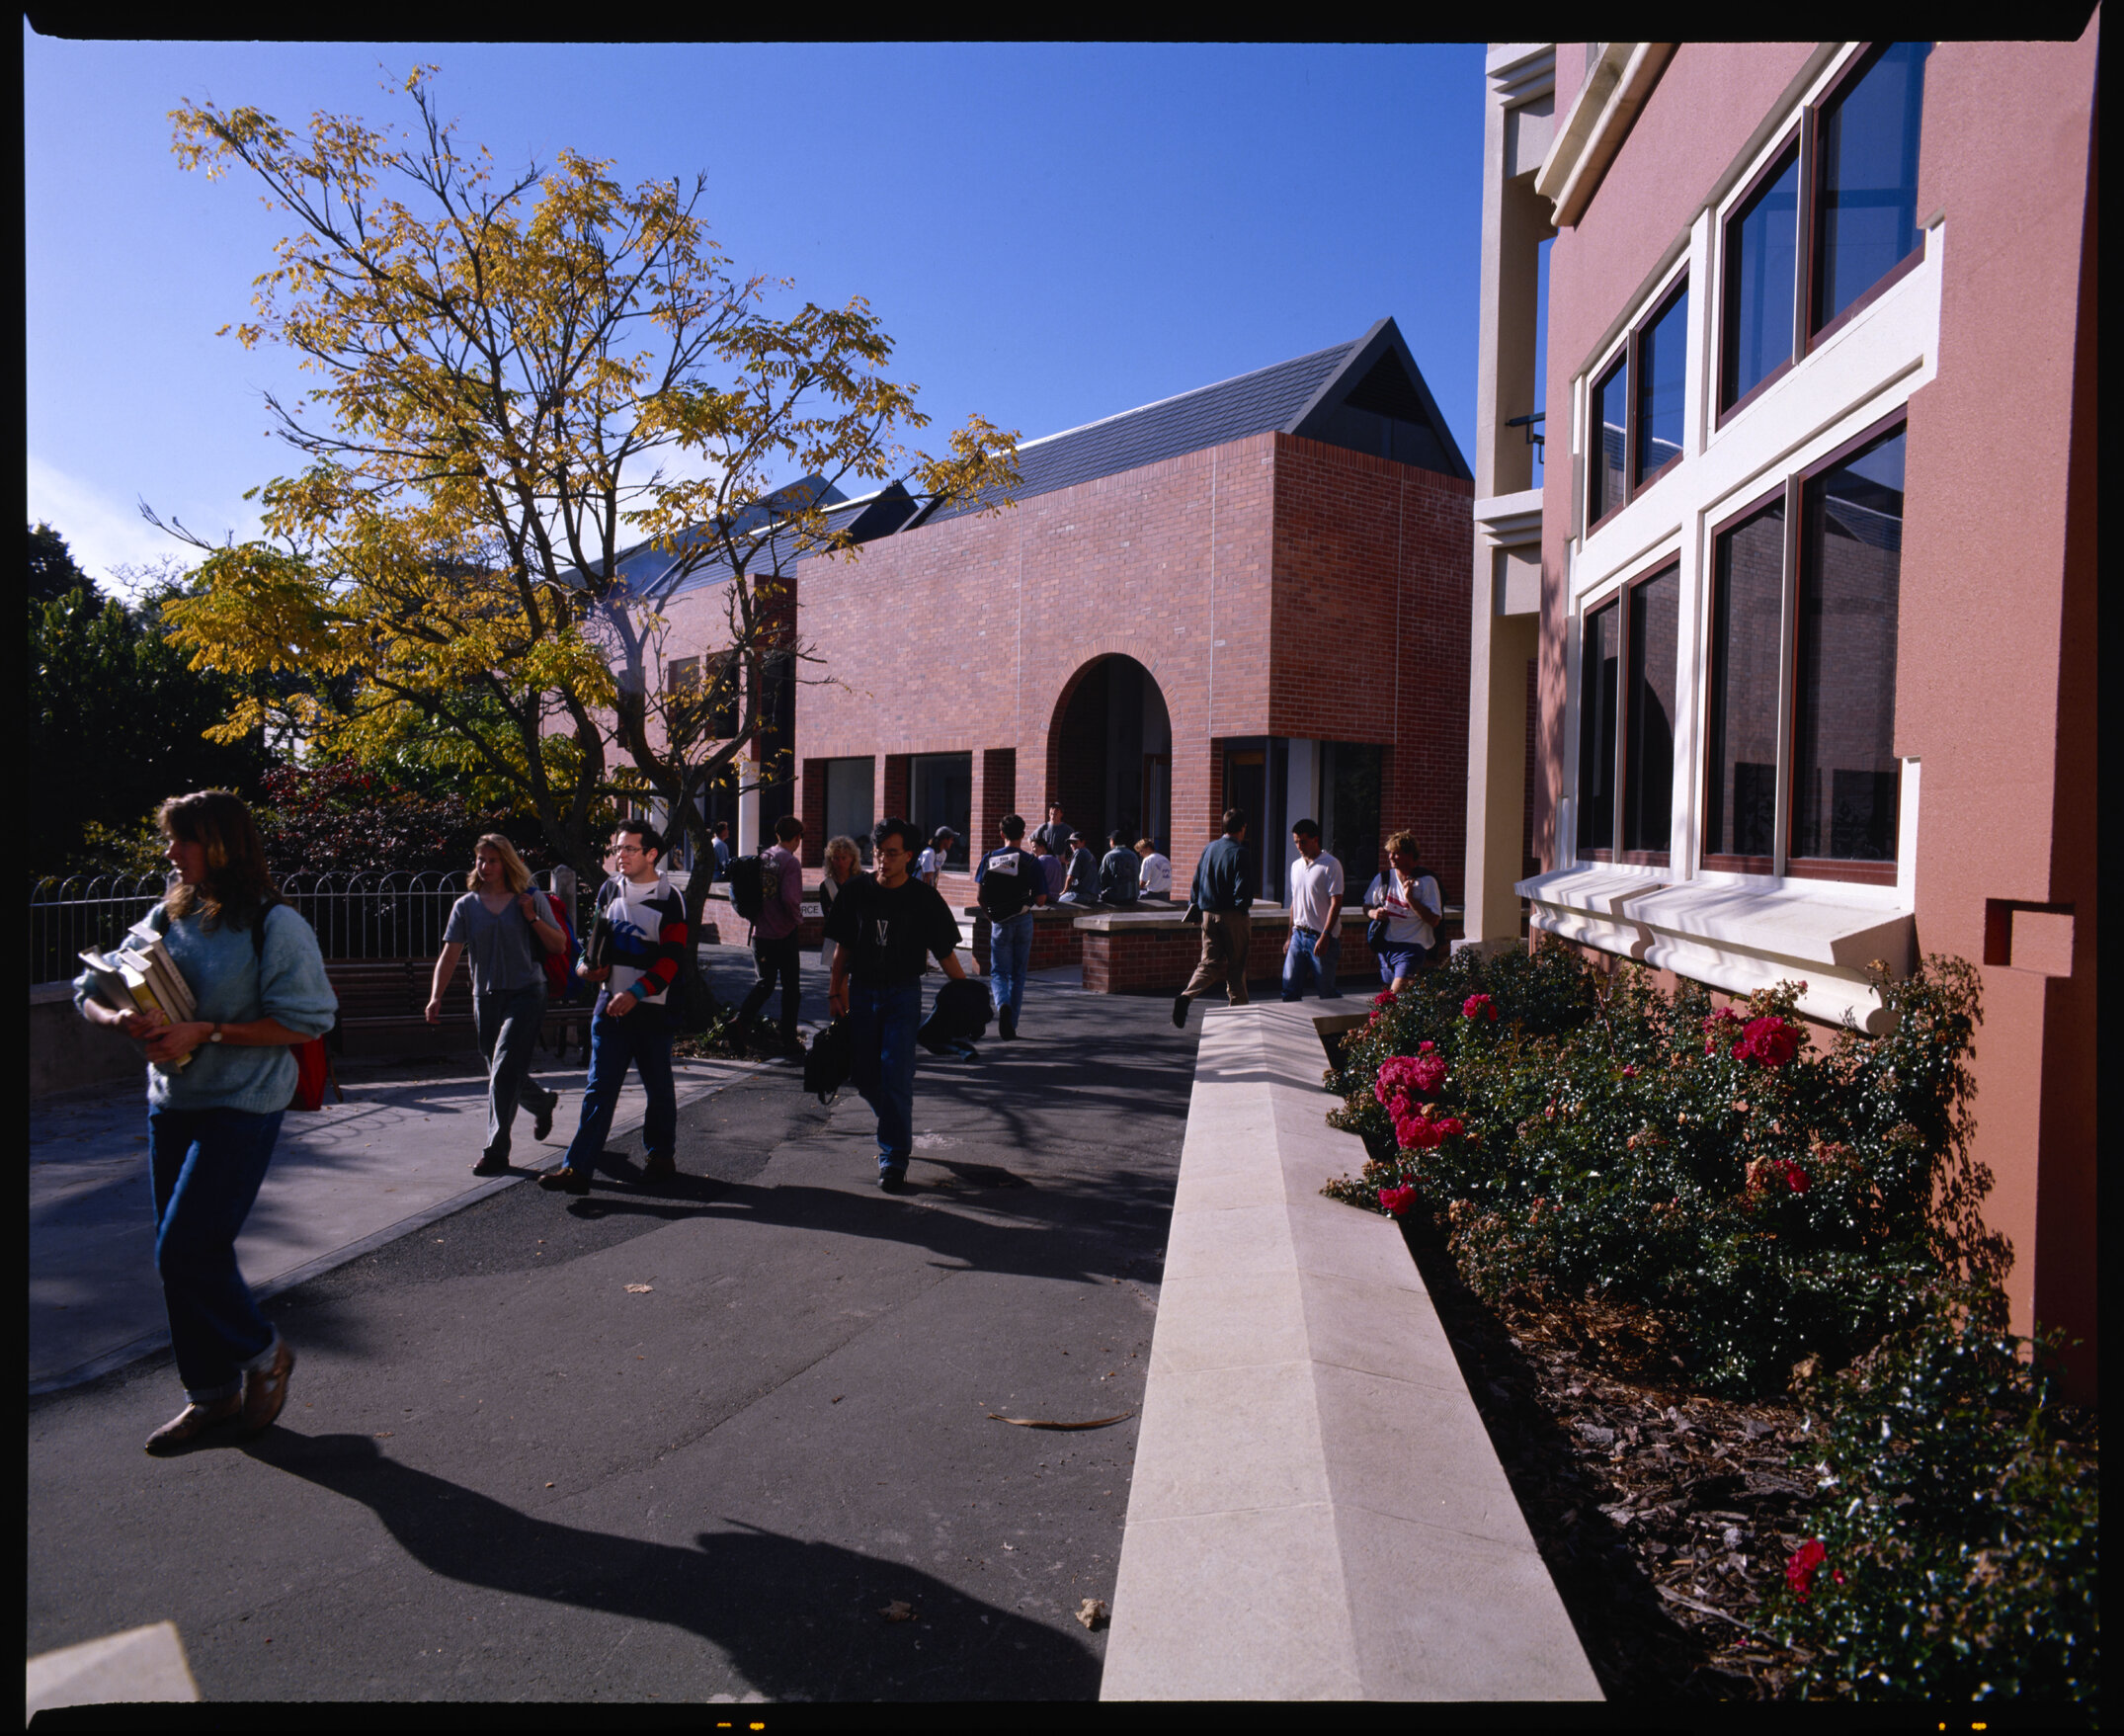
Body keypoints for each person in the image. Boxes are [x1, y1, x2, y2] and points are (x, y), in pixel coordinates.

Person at [73, 789, 338, 1454]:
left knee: (184, 1248)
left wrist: (208, 1030)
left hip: (242, 1107)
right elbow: (88, 991)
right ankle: (210, 1394)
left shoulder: (274, 925)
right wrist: (120, 1018)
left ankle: (263, 1351)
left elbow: (308, 1018)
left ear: (219, 843)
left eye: (181, 840)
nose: (169, 852)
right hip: (173, 1105)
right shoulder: (170, 914)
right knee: (185, 1257)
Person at [824, 817, 972, 1192]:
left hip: (903, 993)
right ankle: (895, 1122)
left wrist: (967, 993)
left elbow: (945, 953)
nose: (883, 860)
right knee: (863, 1074)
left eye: (891, 853)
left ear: (909, 855)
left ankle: (893, 1158)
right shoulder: (857, 891)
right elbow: (844, 947)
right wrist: (834, 990)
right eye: (878, 852)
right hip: (862, 990)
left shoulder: (924, 898)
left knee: (895, 1073)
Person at [540, 819, 688, 1193]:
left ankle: (660, 1155)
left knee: (658, 1087)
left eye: (629, 849)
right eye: (618, 849)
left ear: (651, 854)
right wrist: (586, 969)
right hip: (609, 1009)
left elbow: (671, 960)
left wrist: (636, 992)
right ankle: (577, 1169)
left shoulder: (670, 897)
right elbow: (592, 947)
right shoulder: (609, 889)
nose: (620, 856)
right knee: (598, 1089)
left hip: (653, 1010)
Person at [428, 834, 570, 1175]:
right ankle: (542, 1101)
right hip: (485, 996)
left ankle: (496, 1150)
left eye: (493, 860)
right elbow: (450, 956)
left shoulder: (529, 900)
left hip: (527, 993)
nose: (485, 866)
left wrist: (532, 918)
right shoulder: (466, 906)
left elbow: (559, 945)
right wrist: (436, 996)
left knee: (504, 1067)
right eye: (480, 860)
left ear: (506, 862)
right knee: (501, 1069)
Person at [731, 815, 806, 1058]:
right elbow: (791, 898)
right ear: (797, 838)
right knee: (791, 989)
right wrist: (798, 920)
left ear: (777, 834)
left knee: (764, 984)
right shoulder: (790, 862)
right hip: (783, 933)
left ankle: (741, 1022)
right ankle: (788, 1039)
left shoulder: (764, 857)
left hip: (760, 933)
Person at [1174, 807, 1256, 1027]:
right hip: (1232, 915)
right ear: (1243, 828)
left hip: (1208, 914)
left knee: (1208, 963)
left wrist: (1196, 906)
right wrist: (1242, 907)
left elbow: (1196, 881)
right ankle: (1239, 1014)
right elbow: (1243, 888)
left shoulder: (1209, 849)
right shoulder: (1240, 852)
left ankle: (1186, 995)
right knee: (1236, 965)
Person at [974, 812, 1047, 1040]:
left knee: (998, 972)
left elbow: (979, 896)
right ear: (1023, 834)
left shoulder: (989, 859)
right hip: (1024, 920)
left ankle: (1002, 1002)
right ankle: (1011, 1024)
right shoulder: (1031, 861)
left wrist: (991, 917)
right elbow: (1042, 899)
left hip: (1000, 922)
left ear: (1001, 834)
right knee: (1018, 974)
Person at [1364, 831, 1442, 995]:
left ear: (1409, 855)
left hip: (1412, 947)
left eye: (1396, 853)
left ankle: (1377, 1021)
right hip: (1386, 947)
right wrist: (1374, 913)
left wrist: (1411, 899)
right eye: (1390, 853)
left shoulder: (1427, 882)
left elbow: (1434, 920)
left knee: (1393, 998)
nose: (1391, 857)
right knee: (1400, 1000)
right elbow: (1366, 906)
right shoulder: (1384, 878)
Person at [1281, 818, 1345, 1003]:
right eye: (1296, 842)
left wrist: (1325, 935)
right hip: (1298, 935)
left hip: (1321, 937)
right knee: (1289, 989)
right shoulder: (1296, 866)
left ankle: (1340, 1028)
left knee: (1326, 992)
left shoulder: (1330, 865)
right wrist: (1289, 936)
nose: (1299, 846)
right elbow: (1295, 902)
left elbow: (1336, 903)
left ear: (1315, 839)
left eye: (1303, 841)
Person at [818, 833, 861, 976]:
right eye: (836, 858)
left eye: (844, 858)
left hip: (860, 938)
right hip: (837, 939)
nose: (840, 862)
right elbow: (829, 917)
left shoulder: (863, 880)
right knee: (838, 979)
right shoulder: (827, 885)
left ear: (852, 858)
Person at [1099, 829, 1141, 906]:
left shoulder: (1110, 856)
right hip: (1133, 897)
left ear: (1112, 841)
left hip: (1116, 897)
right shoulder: (1133, 855)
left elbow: (1102, 879)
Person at [1057, 831, 1101, 905]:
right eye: (1071, 842)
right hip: (1093, 895)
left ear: (1083, 842)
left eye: (1075, 842)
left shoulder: (1079, 852)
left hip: (1082, 895)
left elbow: (1071, 876)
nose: (1072, 845)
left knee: (1058, 901)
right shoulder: (1089, 853)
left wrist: (1064, 891)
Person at [1031, 832, 1067, 903]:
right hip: (1055, 898)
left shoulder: (1040, 861)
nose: (1032, 850)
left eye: (1034, 847)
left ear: (1042, 847)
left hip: (1042, 898)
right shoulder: (1056, 860)